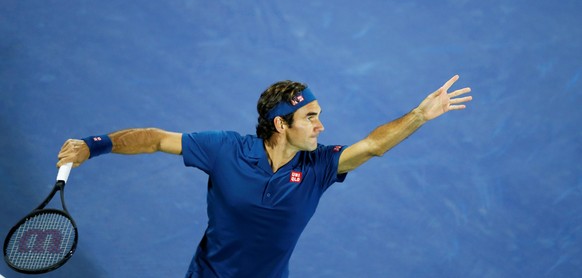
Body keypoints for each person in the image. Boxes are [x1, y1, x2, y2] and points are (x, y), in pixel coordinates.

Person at [57, 74, 472, 278]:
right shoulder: (225, 149)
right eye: (310, 118)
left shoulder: (320, 166)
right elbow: (155, 139)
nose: (321, 127)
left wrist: (420, 115)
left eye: (319, 116)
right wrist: (95, 144)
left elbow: (374, 145)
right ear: (280, 125)